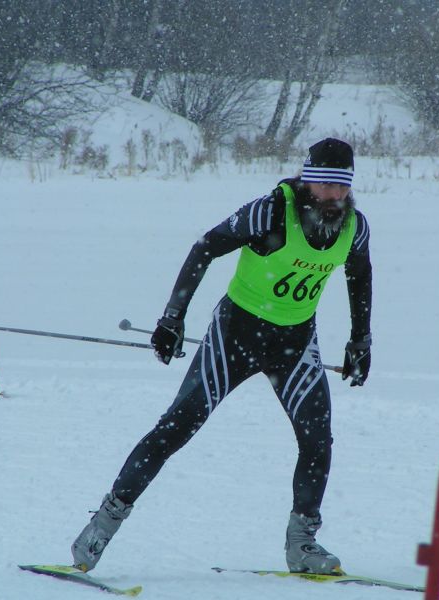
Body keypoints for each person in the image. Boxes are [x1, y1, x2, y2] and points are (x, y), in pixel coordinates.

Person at [71, 137, 372, 575]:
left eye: (340, 187)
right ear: (307, 181)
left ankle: (302, 544)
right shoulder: (270, 212)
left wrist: (360, 340)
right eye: (324, 185)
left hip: (295, 343)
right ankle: (100, 527)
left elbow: (360, 274)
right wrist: (173, 317)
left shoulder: (354, 226)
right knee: (176, 427)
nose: (332, 196)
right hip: (236, 336)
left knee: (317, 436)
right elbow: (205, 247)